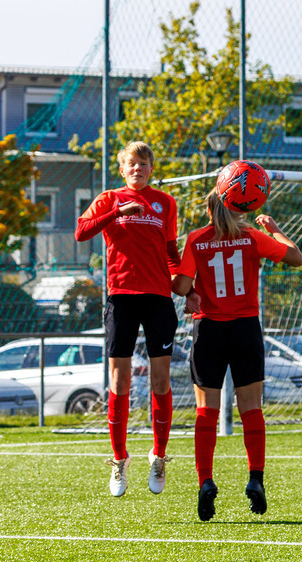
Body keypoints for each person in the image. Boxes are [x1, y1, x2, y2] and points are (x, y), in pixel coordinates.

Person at [171, 191, 302, 521]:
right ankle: (255, 479)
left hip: (209, 331)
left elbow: (181, 285)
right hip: (245, 327)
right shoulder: (252, 237)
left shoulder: (198, 238)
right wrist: (273, 228)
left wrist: (192, 288)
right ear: (240, 205)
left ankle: (205, 481)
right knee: (251, 408)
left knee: (206, 411)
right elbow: (296, 258)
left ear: (208, 208)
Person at [76, 141, 190, 497]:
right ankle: (119, 459)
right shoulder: (109, 199)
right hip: (122, 297)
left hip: (158, 298)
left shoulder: (165, 203)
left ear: (151, 169)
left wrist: (187, 286)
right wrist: (116, 212)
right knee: (120, 379)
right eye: (131, 164)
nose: (137, 169)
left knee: (160, 380)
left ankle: (158, 454)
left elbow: (171, 252)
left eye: (143, 163)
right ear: (122, 170)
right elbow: (81, 232)